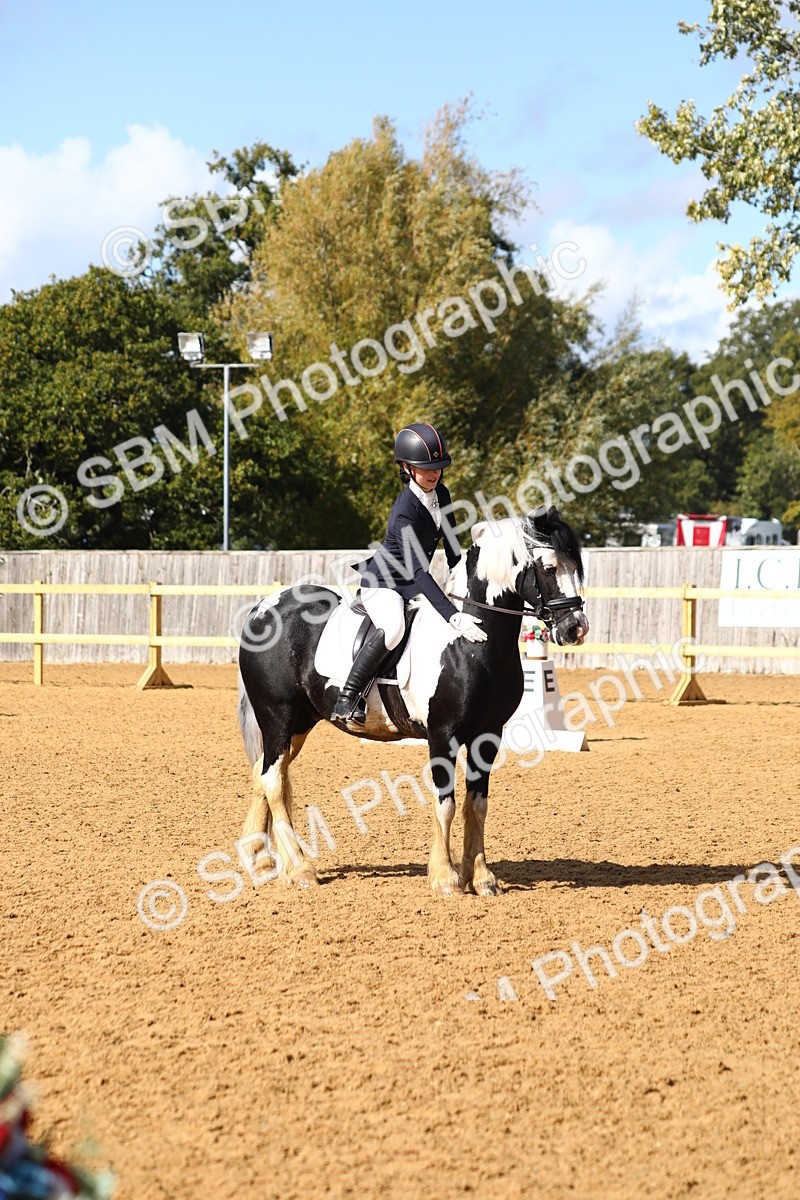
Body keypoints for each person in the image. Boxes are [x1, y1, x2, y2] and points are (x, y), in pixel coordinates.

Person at [332, 422, 487, 726]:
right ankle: (349, 696)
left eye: (438, 467)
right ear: (406, 467)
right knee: (393, 628)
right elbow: (418, 570)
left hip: (413, 584)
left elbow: (454, 550)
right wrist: (454, 616)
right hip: (385, 584)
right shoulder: (404, 511)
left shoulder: (442, 494)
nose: (434, 473)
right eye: (425, 467)